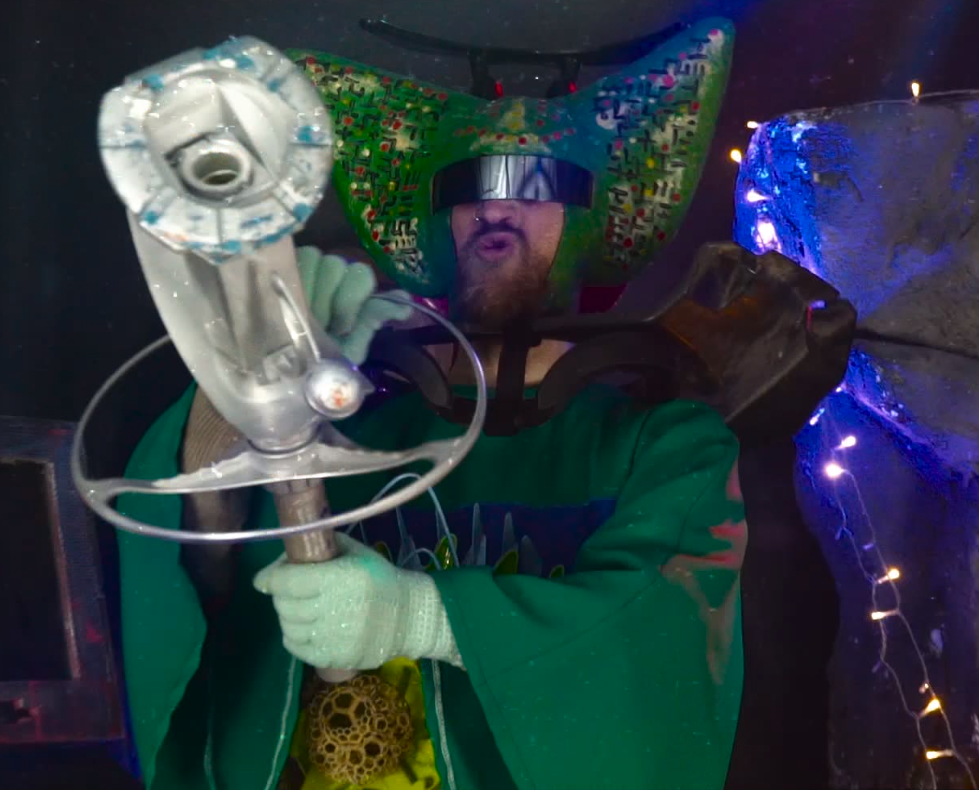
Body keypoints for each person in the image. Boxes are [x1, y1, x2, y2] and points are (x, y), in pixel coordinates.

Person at [115, 17, 744, 790]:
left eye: (534, 184)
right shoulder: (353, 425)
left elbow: (663, 639)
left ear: (594, 216)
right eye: (465, 187)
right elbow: (196, 561)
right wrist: (251, 374)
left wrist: (425, 618)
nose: (495, 208)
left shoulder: (664, 445)